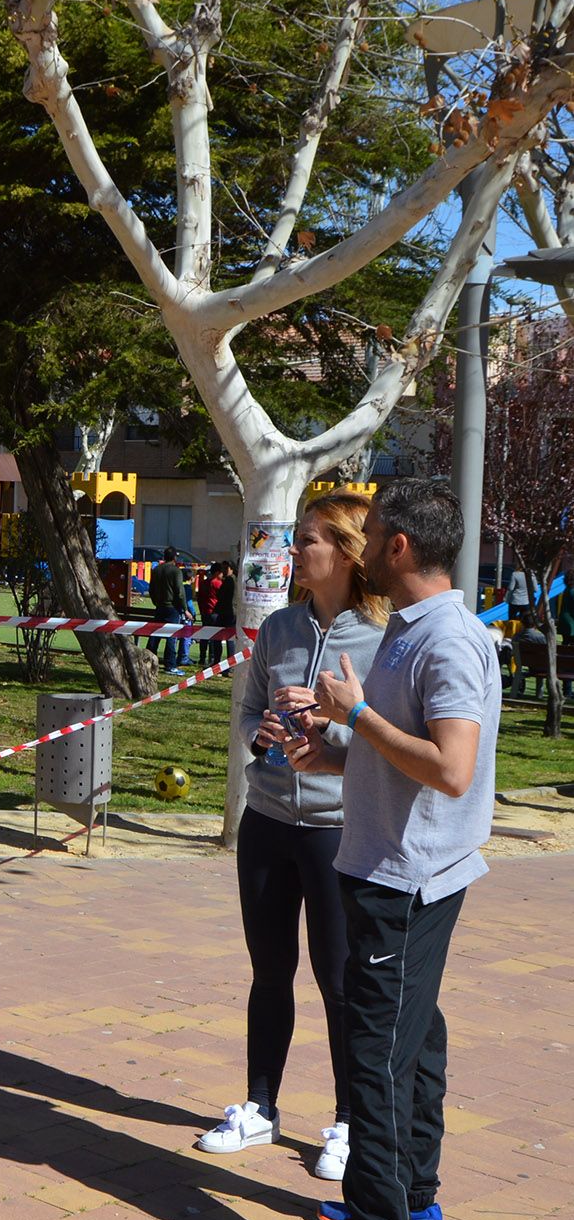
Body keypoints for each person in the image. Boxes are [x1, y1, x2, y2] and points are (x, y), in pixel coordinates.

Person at [281, 482, 501, 1220]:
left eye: (371, 535)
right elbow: (401, 754)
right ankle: (414, 1201)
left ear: (400, 547)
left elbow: (450, 767)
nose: (362, 546)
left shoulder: (447, 640)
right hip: (392, 869)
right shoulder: (413, 631)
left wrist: (359, 713)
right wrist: (334, 749)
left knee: (373, 1057)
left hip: (404, 881)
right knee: (414, 1041)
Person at [196, 496, 386, 1181]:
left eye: (305, 541)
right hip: (268, 822)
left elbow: (391, 744)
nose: (293, 553)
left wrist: (333, 727)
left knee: (341, 982)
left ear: (345, 550)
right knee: (269, 970)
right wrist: (262, 734)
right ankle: (260, 1107)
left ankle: (347, 1122)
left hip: (341, 830)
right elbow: (247, 710)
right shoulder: (278, 628)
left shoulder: (382, 636)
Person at [147, 547, 191, 671]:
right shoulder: (176, 571)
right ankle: (170, 664)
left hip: (160, 606)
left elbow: (151, 589)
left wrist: (156, 601)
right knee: (171, 636)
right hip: (172, 608)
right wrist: (184, 609)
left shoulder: (156, 570)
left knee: (155, 635)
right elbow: (179, 592)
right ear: (174, 558)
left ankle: (148, 659)